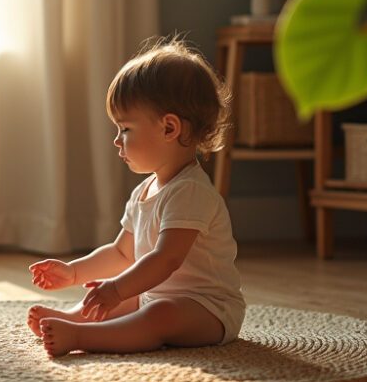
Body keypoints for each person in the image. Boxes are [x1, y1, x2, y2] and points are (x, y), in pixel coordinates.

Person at [26, 40, 244, 357]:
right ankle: (75, 318)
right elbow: (121, 253)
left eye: (125, 129)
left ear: (169, 127)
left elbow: (166, 260)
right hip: (157, 296)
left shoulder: (190, 192)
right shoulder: (144, 191)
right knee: (129, 295)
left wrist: (115, 289)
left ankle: (82, 337)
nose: (117, 140)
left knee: (155, 311)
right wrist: (74, 272)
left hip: (208, 311)